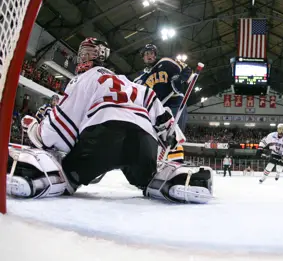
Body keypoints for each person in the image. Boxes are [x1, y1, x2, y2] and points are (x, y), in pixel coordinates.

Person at [8, 37, 212, 204]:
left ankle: (35, 175)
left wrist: (36, 129)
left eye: (87, 54)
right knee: (148, 178)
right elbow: (155, 105)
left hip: (104, 135)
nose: (83, 58)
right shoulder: (126, 81)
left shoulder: (84, 78)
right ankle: (177, 179)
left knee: (67, 173)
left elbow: (59, 128)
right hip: (143, 139)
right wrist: (170, 132)